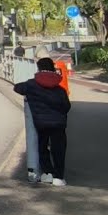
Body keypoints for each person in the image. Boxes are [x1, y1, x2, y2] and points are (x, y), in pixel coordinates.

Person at [15, 57, 71, 186]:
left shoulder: (31, 85)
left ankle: (48, 173)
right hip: (59, 124)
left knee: (42, 147)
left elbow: (17, 88)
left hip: (41, 123)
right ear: (53, 68)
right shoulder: (60, 89)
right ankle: (59, 177)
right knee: (59, 149)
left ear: (39, 68)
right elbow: (67, 107)